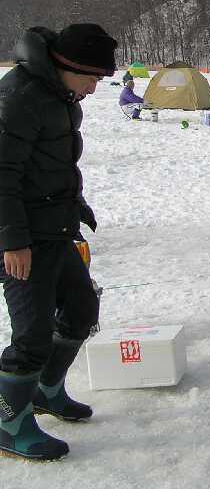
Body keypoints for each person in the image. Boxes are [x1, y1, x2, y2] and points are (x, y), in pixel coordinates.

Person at [0, 23, 117, 460]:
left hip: (53, 227)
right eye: (90, 78)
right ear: (66, 66)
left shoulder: (62, 97)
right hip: (18, 236)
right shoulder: (19, 98)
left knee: (82, 308)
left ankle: (46, 391)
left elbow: (55, 163)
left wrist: (76, 203)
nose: (93, 88)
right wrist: (13, 241)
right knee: (30, 335)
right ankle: (7, 424)